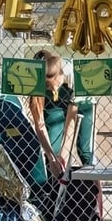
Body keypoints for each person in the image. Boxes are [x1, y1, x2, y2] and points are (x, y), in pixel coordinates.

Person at [28, 50, 76, 185]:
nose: (52, 88)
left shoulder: (70, 76)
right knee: (52, 152)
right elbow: (40, 124)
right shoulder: (38, 86)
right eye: (47, 85)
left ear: (60, 74)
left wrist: (64, 152)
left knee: (86, 154)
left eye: (53, 83)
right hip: (52, 116)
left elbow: (71, 121)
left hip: (75, 108)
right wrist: (52, 157)